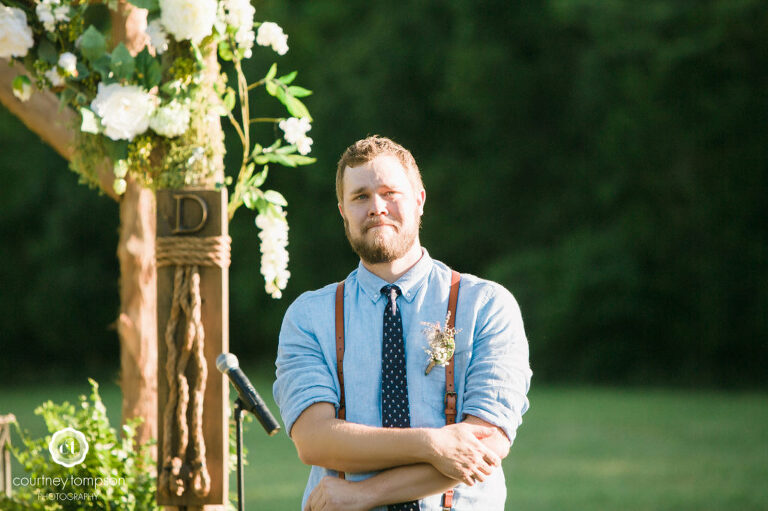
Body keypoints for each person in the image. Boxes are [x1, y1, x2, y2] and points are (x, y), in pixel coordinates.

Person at [273, 135, 532, 511]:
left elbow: (484, 448)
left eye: (390, 192)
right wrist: (433, 444)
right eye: (360, 197)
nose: (376, 207)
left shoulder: (486, 305)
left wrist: (364, 494)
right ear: (343, 211)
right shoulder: (309, 317)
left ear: (419, 200)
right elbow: (314, 440)